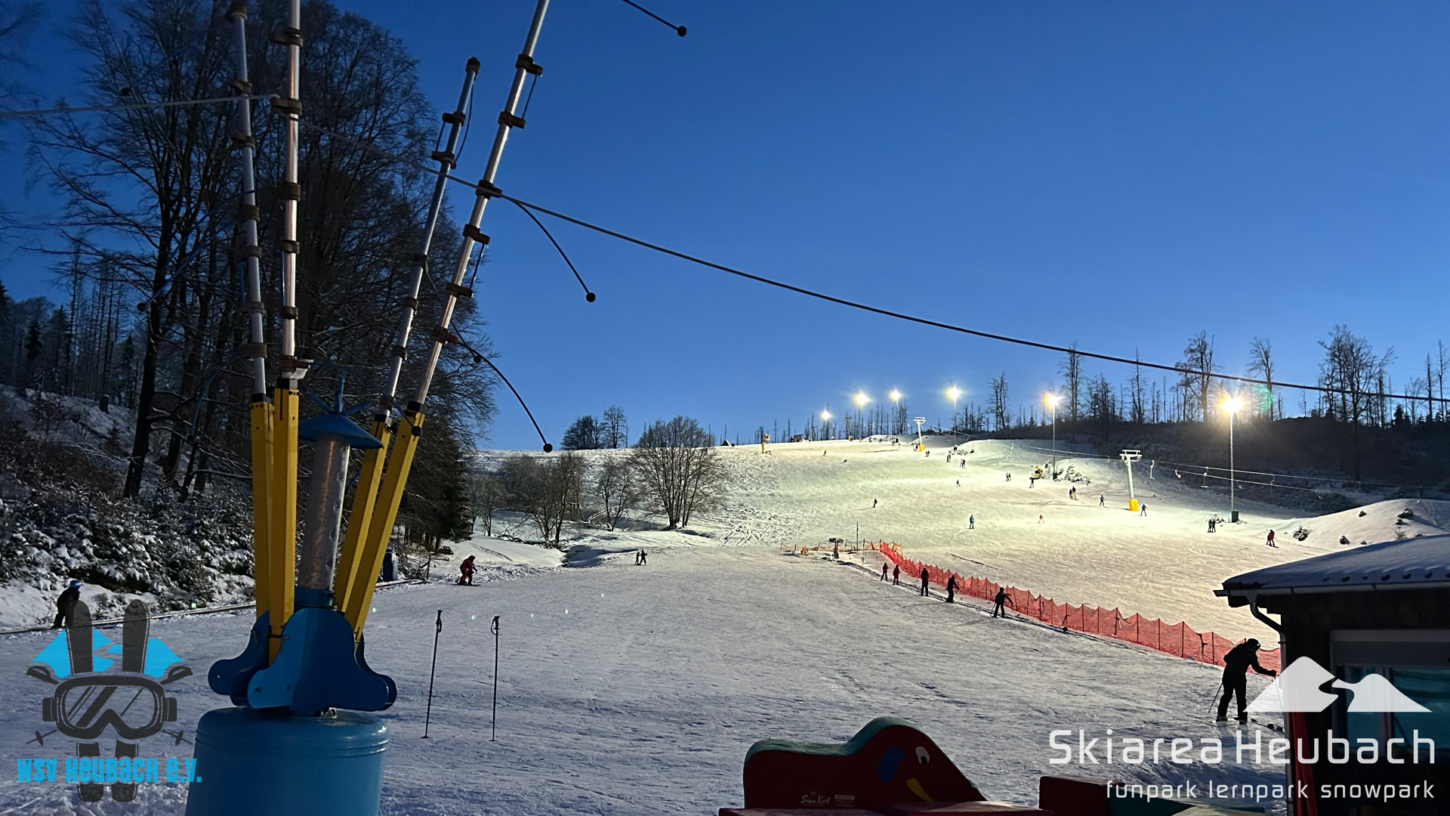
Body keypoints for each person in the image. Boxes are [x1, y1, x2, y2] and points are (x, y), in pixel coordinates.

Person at [1217, 638, 1278, 723]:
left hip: (1228, 674)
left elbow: (1226, 658)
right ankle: (1242, 718)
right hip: (1239, 677)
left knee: (1227, 695)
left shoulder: (1238, 648)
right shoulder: (1251, 655)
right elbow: (1257, 668)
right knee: (1241, 698)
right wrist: (1270, 672)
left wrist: (1233, 664)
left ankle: (1221, 715)